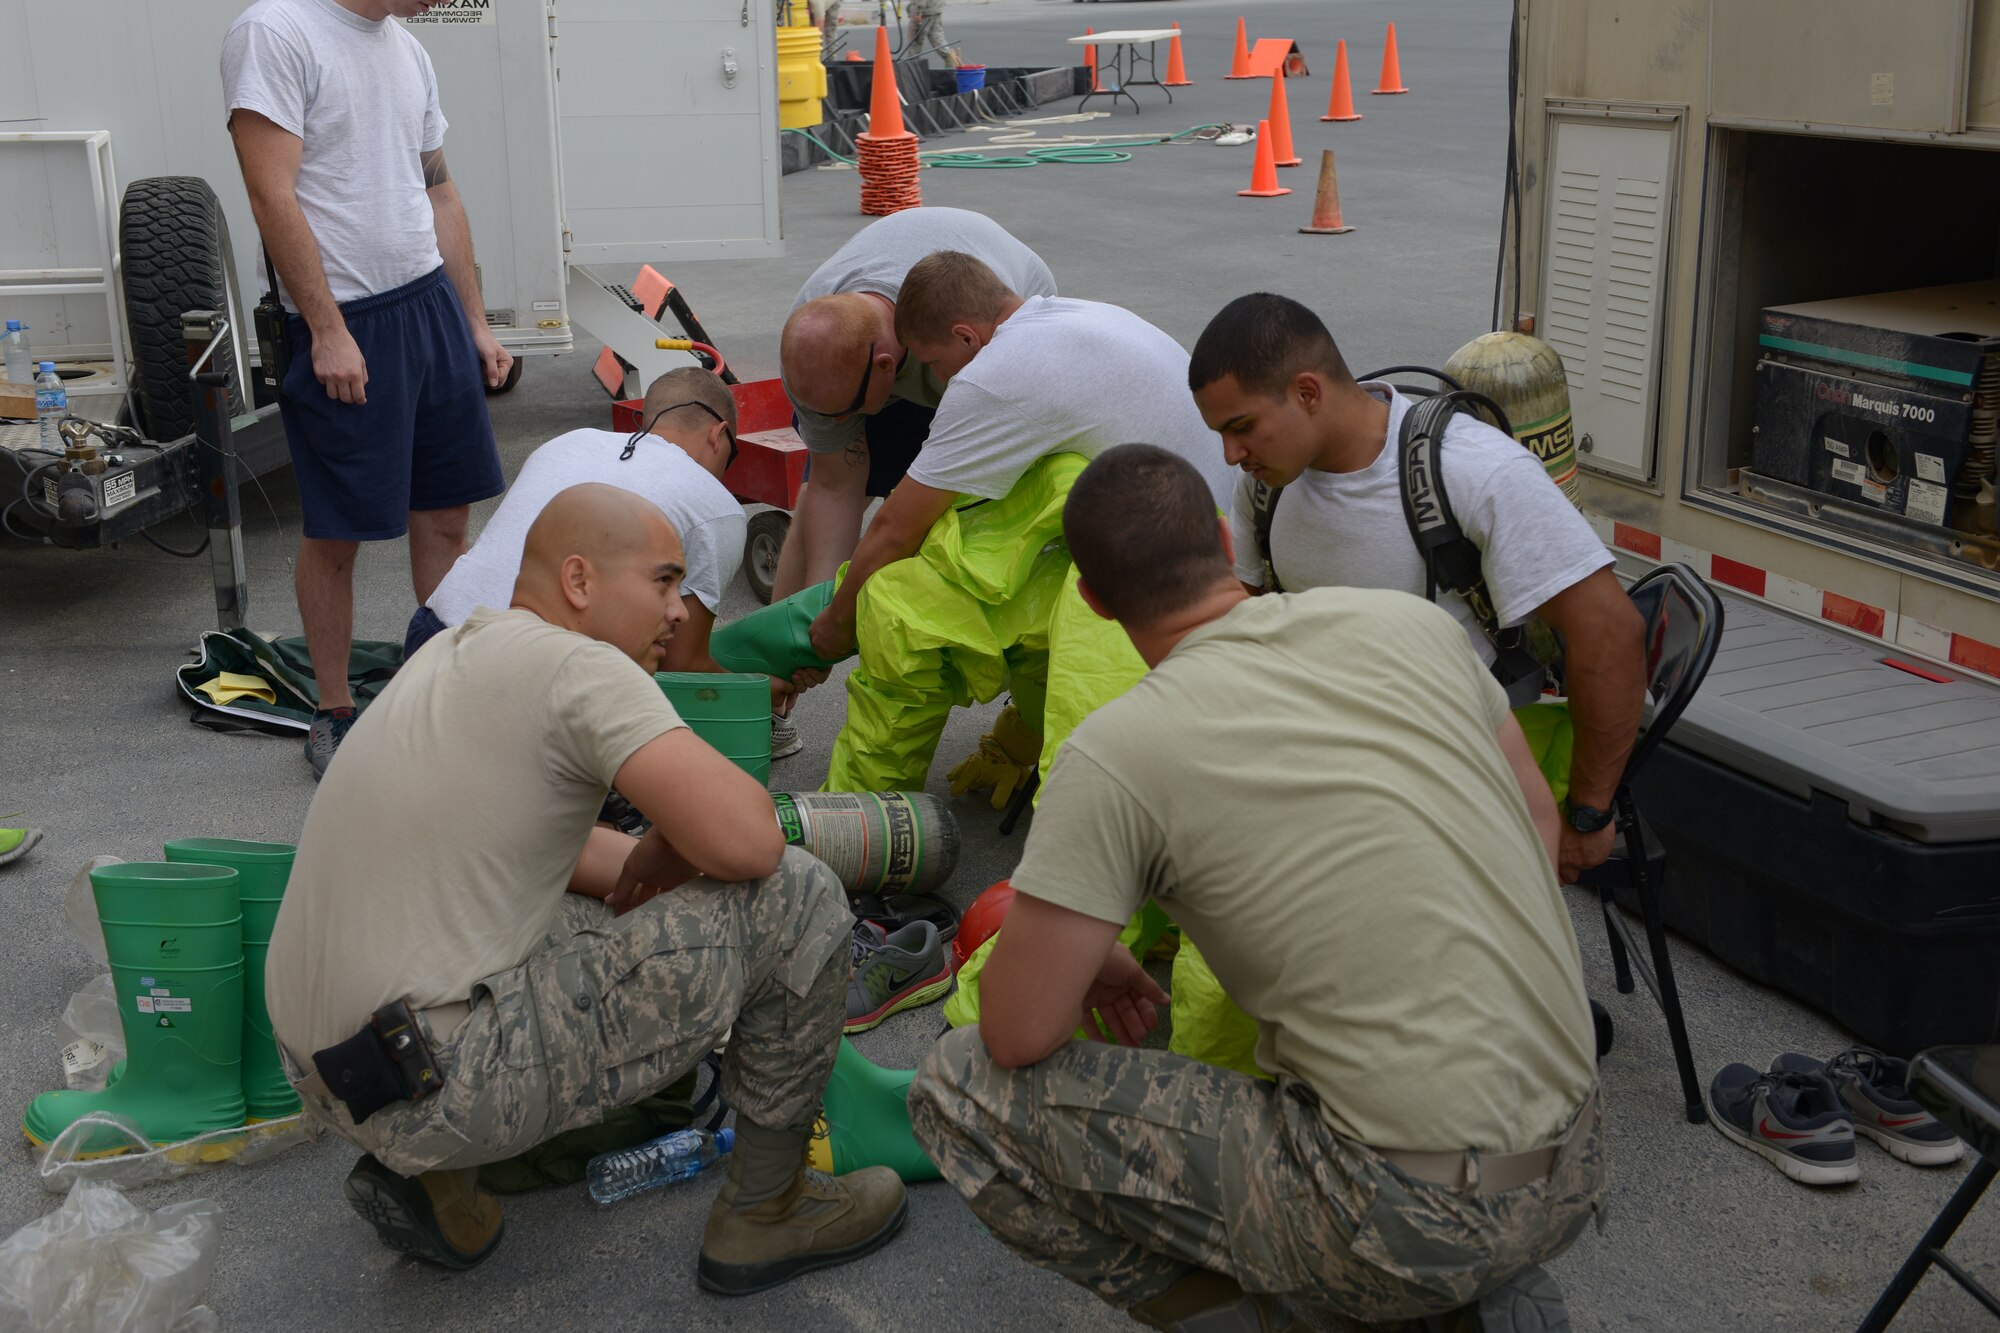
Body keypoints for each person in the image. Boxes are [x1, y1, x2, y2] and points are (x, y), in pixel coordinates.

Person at [908, 445, 1605, 1333]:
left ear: (1088, 599)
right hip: (1573, 1159)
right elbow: (1537, 821)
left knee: (958, 1090)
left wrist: (1073, 958)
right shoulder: (1414, 628)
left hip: (1407, 1205)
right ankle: (1440, 1295)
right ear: (1222, 536)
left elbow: (1012, 1034)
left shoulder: (1121, 749)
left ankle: (1330, 1309)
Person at [265, 483, 906, 1288]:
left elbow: (542, 856)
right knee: (798, 895)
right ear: (578, 582)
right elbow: (751, 842)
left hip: (329, 1070)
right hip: (445, 1083)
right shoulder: (581, 665)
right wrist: (678, 841)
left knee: (582, 906)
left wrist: (646, 864)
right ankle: (767, 1212)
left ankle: (436, 1178)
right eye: (665, 581)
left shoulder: (453, 651)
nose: (681, 611)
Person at [1188, 294, 1646, 883]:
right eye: (1221, 434)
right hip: (1323, 773)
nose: (1230, 454)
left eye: (1241, 427)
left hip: (1452, 783)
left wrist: (1588, 814)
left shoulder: (1473, 471)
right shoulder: (1267, 485)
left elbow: (1609, 634)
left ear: (1308, 392)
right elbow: (1251, 620)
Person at [224, 0, 513, 781]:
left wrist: (475, 322)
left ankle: (450, 695)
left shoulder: (406, 47)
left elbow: (440, 194)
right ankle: (334, 710)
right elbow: (270, 194)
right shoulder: (276, 33)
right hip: (347, 319)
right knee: (339, 530)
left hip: (428, 306)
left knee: (447, 514)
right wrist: (324, 328)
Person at [807, 249, 1235, 663]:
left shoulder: (993, 375)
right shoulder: (1076, 313)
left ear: (965, 336)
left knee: (962, 572)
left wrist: (839, 621)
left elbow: (895, 529)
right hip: (1226, 541)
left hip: (1179, 582)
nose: (937, 379)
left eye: (933, 362)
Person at [400, 368, 806, 751]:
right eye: (730, 460)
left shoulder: (569, 442)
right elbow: (682, 667)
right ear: (718, 435)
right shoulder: (715, 506)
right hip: (523, 679)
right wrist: (758, 689)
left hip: (430, 638)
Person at [774, 208, 1056, 603]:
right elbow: (835, 487)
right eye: (825, 413)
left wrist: (842, 617)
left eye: (842, 411)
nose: (835, 422)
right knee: (816, 502)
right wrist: (815, 618)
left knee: (961, 523)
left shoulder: (982, 344)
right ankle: (784, 651)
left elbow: (904, 523)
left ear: (885, 367)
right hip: (883, 353)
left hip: (984, 337)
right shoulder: (814, 343)